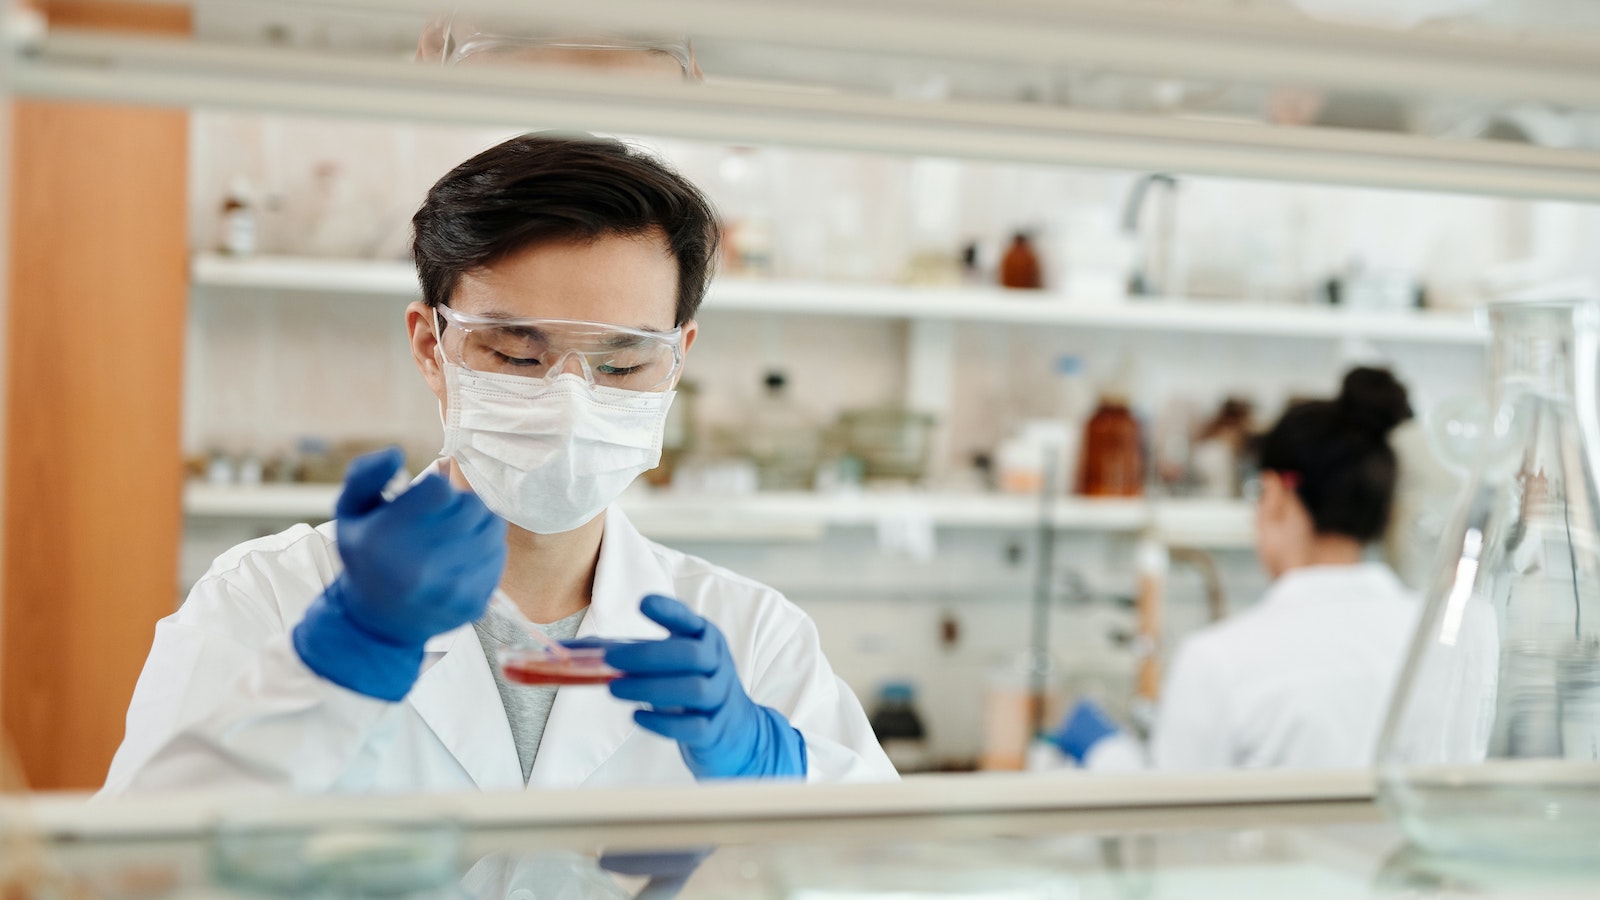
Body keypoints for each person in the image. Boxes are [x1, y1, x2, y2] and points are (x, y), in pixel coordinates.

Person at [102, 133, 897, 793]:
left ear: (679, 360)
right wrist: (334, 670)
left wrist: (777, 768)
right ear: (430, 344)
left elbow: (894, 872)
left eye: (621, 366)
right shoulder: (269, 599)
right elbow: (130, 875)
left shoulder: (753, 639)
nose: (571, 403)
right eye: (519, 355)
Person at [1055, 367, 1423, 770]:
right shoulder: (1454, 637)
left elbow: (1172, 818)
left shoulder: (1219, 661)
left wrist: (1106, 753)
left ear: (1276, 497)